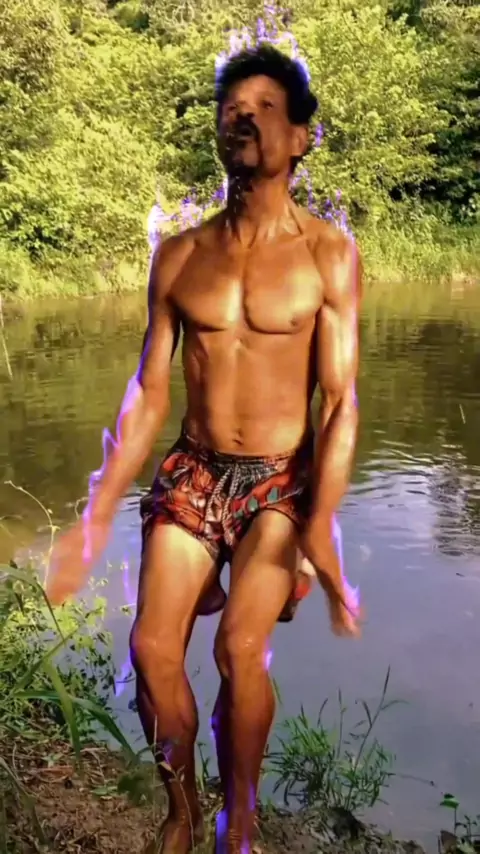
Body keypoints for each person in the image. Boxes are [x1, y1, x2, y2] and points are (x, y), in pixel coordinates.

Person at [47, 44, 362, 854]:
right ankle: (182, 809)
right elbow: (149, 392)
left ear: (301, 137)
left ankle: (241, 821)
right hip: (193, 471)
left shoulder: (329, 255)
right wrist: (96, 512)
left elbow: (340, 402)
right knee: (152, 651)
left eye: (266, 108)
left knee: (239, 647)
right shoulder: (181, 255)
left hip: (279, 484)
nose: (244, 118)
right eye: (233, 108)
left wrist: (322, 525)